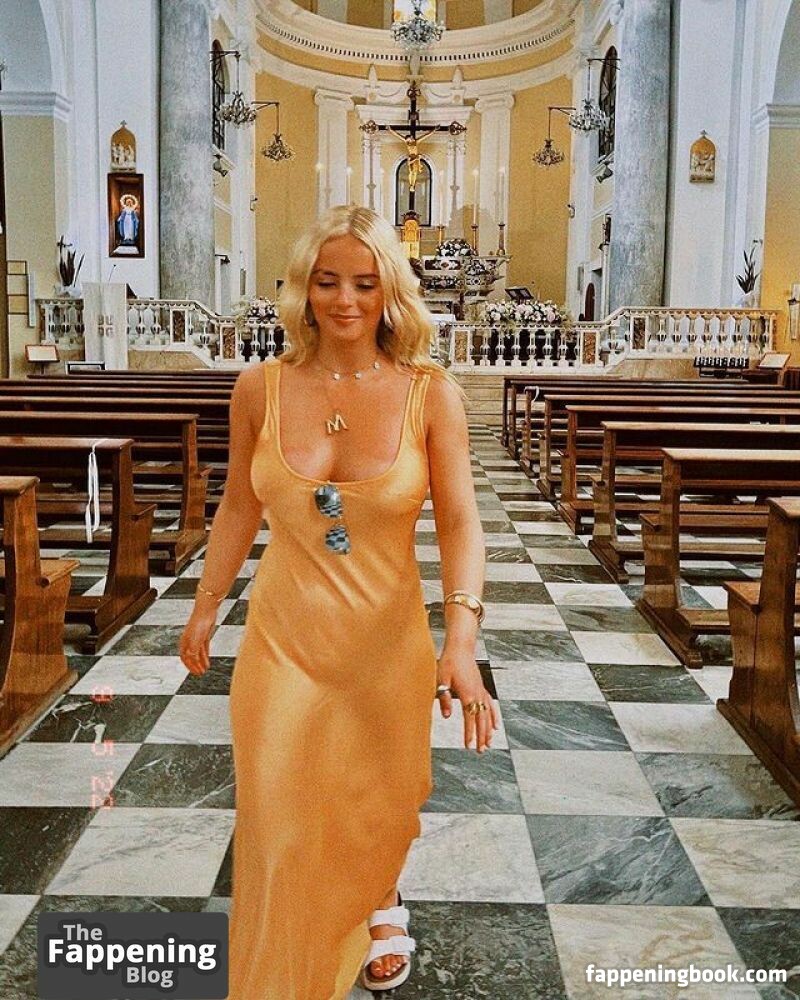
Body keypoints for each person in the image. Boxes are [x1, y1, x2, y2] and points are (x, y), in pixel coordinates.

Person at [179, 205, 495, 998]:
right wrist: (206, 602)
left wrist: (461, 640)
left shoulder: (431, 395)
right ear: (303, 288)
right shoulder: (259, 388)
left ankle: (379, 899)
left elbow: (461, 521)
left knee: (371, 808)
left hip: (386, 647)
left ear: (391, 292)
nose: (345, 300)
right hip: (283, 640)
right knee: (277, 815)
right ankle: (283, 968)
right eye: (328, 282)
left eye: (364, 283)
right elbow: (238, 505)